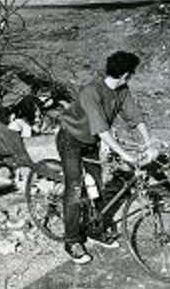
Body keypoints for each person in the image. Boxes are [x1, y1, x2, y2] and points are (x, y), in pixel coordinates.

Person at [55, 51, 155, 264]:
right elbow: (102, 130)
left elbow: (134, 117)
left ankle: (95, 230)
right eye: (132, 74)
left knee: (97, 187)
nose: (132, 77)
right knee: (74, 187)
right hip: (70, 139)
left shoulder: (122, 90)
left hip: (90, 142)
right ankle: (72, 240)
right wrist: (125, 154)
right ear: (125, 74)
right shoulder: (91, 92)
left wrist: (148, 142)